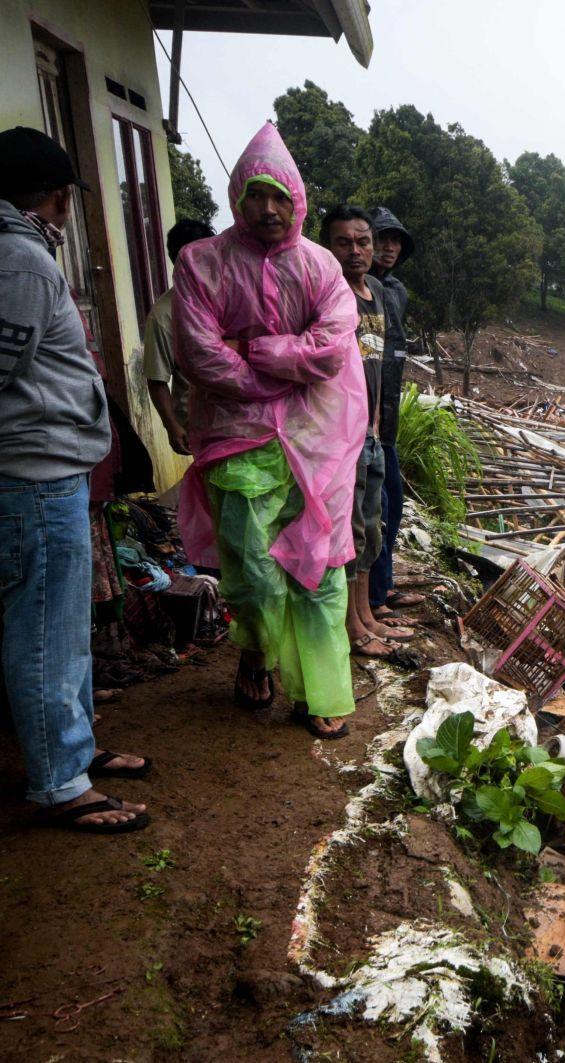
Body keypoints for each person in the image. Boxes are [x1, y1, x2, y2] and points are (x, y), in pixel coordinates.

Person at [173, 122, 364, 739]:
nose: (268, 209)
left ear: (298, 200)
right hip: (238, 440)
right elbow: (200, 355)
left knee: (319, 567)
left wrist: (252, 349)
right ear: (237, 196)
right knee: (252, 571)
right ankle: (256, 655)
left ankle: (321, 691)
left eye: (281, 196)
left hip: (319, 441)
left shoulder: (321, 266)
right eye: (256, 194)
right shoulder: (202, 263)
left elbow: (331, 351)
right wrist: (285, 371)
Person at [0, 126, 150, 832]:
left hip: (46, 469)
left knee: (61, 619)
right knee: (45, 627)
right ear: (56, 196)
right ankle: (59, 780)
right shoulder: (20, 260)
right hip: (31, 472)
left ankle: (73, 746)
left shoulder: (11, 251)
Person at [317, 203, 409, 657]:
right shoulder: (329, 294)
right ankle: (353, 626)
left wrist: (380, 424)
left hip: (374, 431)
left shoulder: (375, 289)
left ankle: (368, 615)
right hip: (343, 434)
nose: (355, 251)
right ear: (327, 247)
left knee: (372, 525)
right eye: (343, 242)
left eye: (363, 241)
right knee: (350, 530)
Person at [364, 206, 421, 622]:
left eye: (395, 240)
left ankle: (383, 587)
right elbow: (366, 360)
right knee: (375, 509)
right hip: (365, 417)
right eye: (381, 239)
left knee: (394, 505)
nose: (389, 247)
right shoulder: (357, 291)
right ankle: (372, 601)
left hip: (387, 419)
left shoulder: (396, 291)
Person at [140, 218, 217, 456]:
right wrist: (172, 426)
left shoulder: (230, 299)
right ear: (178, 261)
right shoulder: (164, 315)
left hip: (242, 418)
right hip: (199, 426)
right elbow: (157, 379)